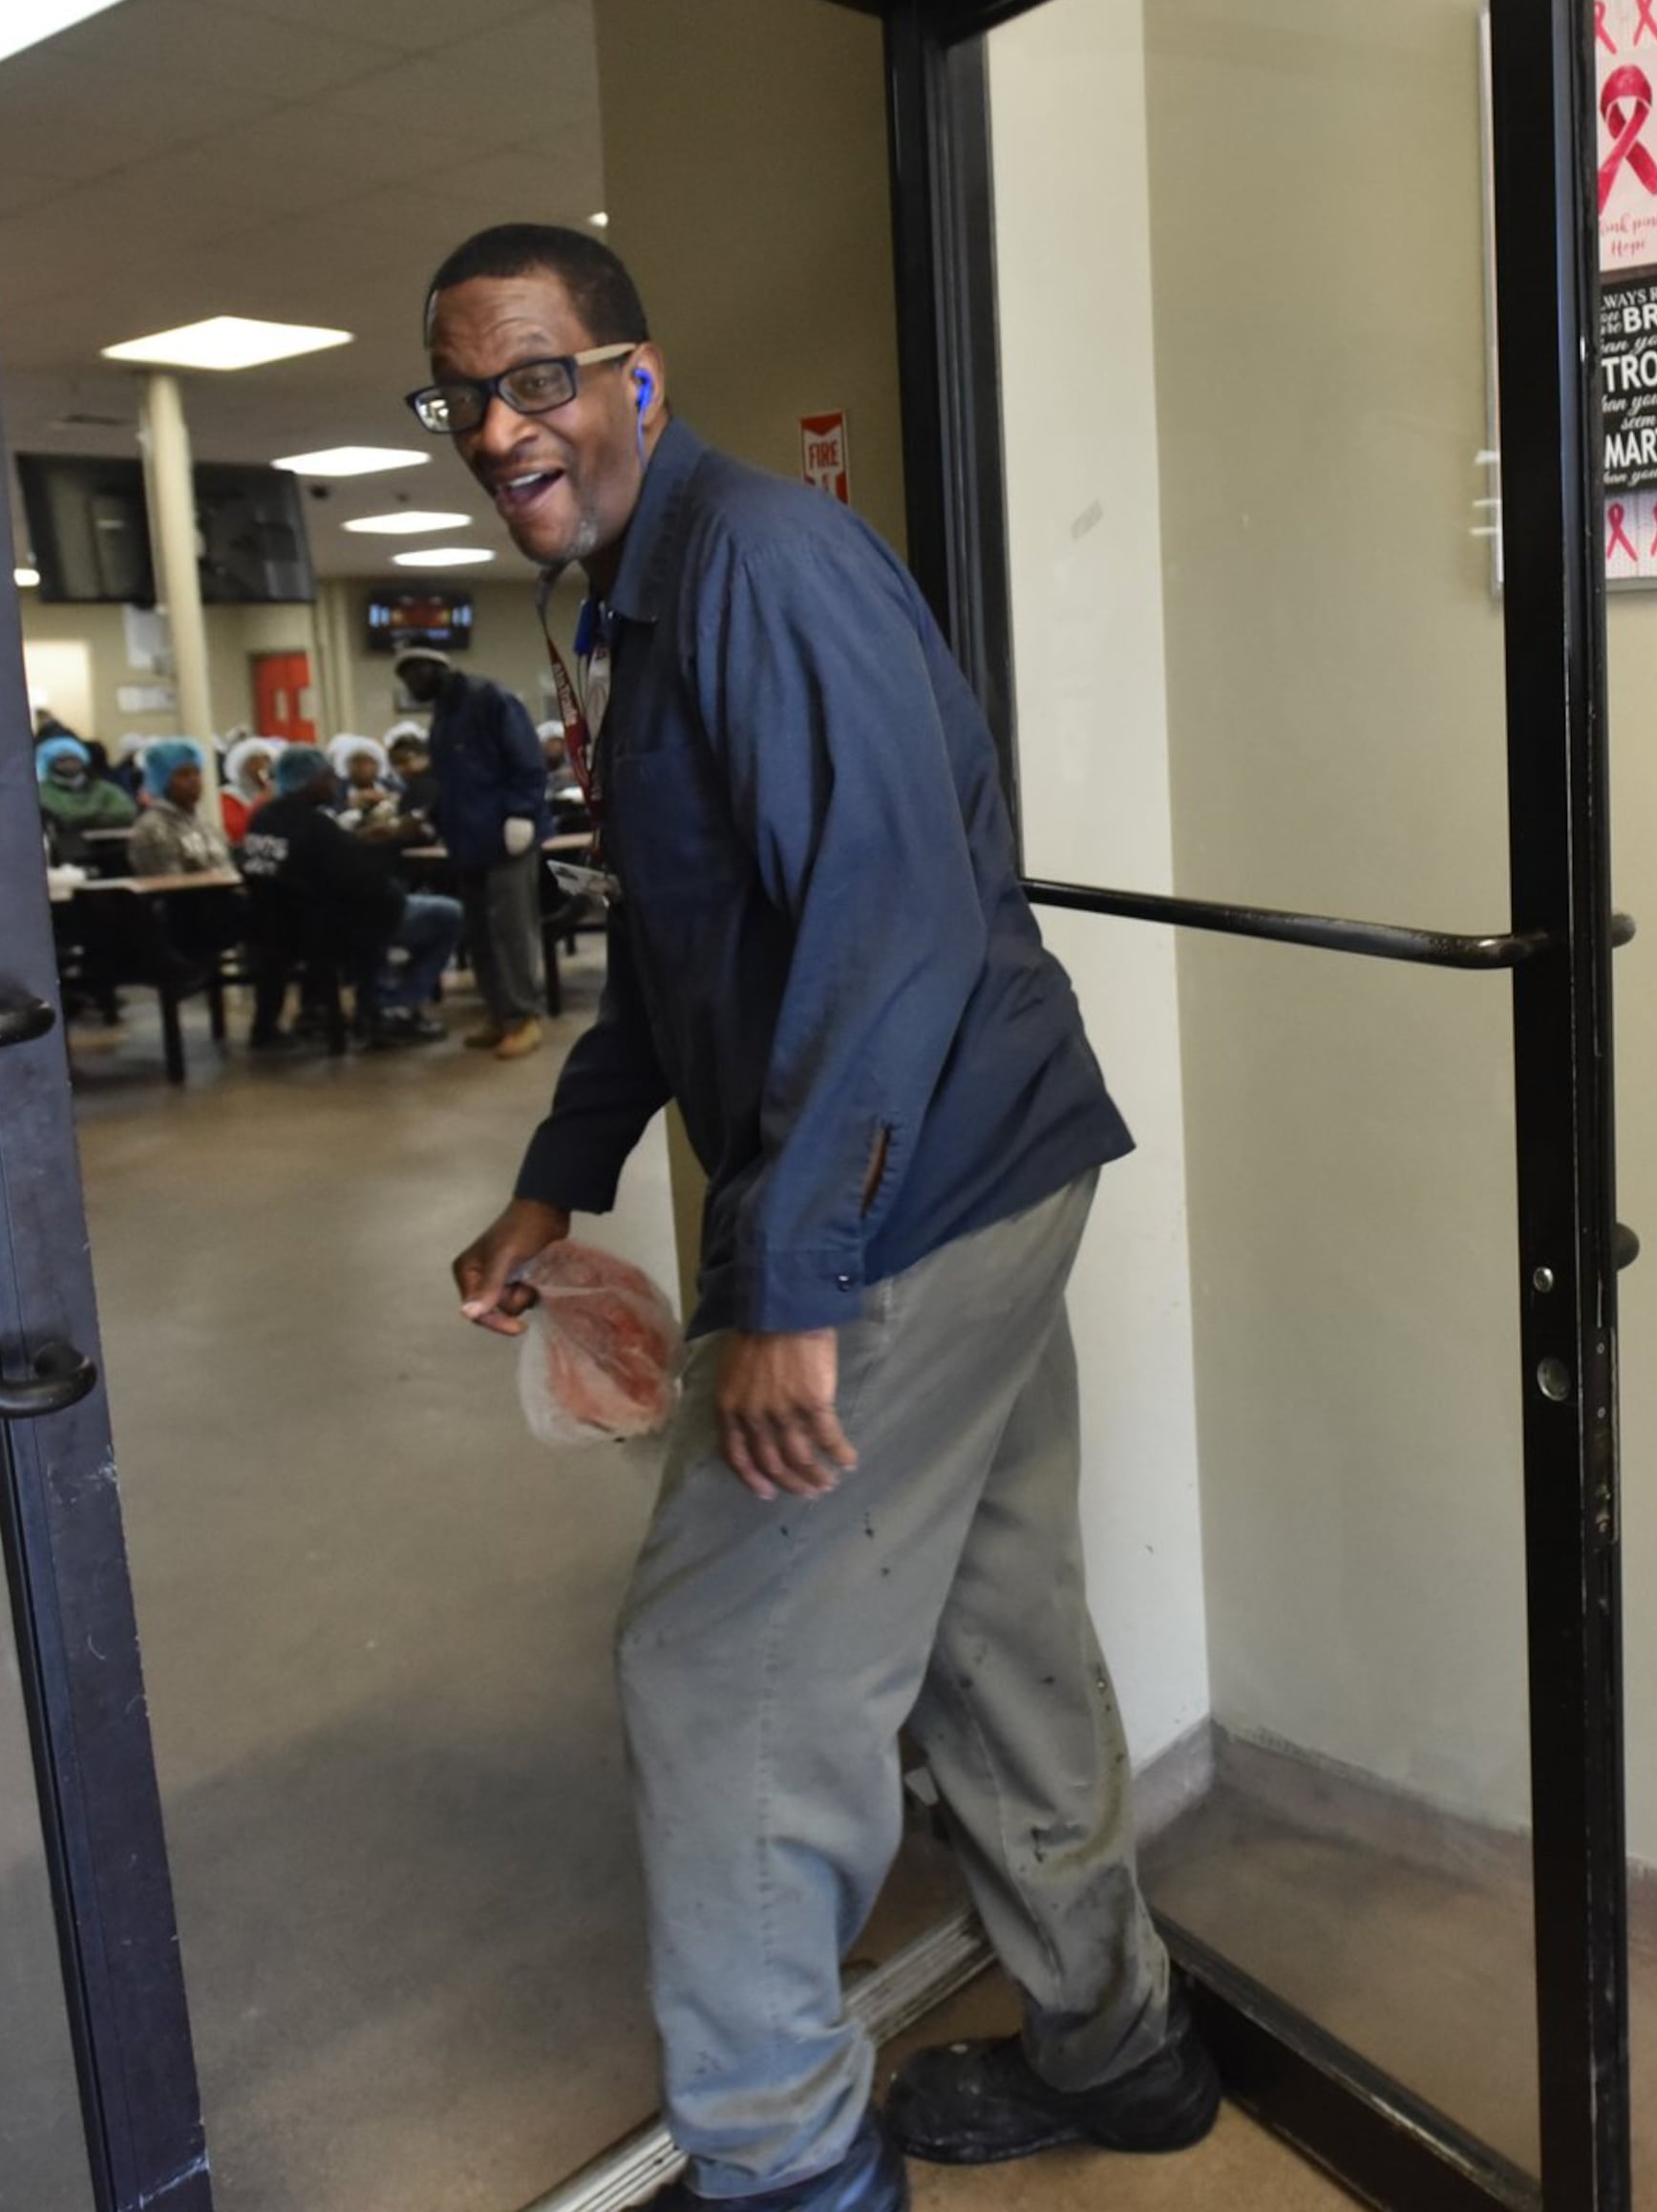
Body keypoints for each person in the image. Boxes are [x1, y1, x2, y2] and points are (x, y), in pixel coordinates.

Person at [427, 222, 1204, 2212]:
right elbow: (696, 954)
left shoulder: (757, 564)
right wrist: (555, 1174)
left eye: (538, 376)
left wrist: (795, 1287)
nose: (503, 425)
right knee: (989, 1617)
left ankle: (785, 2164)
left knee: (721, 1669)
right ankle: (1124, 2048)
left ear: (637, 377)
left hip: (914, 1189)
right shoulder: (639, 602)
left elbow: (888, 931)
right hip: (984, 1162)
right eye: (466, 395)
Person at [236, 744, 460, 1047]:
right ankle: (389, 1006)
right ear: (308, 781)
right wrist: (389, 841)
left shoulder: (262, 819)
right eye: (327, 777)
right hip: (331, 929)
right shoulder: (316, 827)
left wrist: (355, 842)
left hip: (274, 928)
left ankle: (319, 1007)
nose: (333, 783)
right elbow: (364, 880)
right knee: (447, 914)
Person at [395, 641, 551, 1059]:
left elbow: (527, 761)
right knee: (480, 932)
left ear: (436, 667)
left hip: (505, 835)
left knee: (511, 929)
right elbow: (452, 780)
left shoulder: (490, 699)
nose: (410, 683)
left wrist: (521, 813)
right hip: (467, 840)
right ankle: (500, 1013)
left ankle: (525, 1016)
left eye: (415, 673)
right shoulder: (443, 716)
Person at [126, 739, 232, 879]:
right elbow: (170, 886)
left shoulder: (204, 823)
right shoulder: (152, 828)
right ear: (162, 781)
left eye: (197, 773)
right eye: (184, 775)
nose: (194, 780)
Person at [32, 733, 134, 852]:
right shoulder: (42, 792)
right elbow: (66, 816)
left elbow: (126, 812)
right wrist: (98, 816)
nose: (69, 765)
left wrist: (86, 820)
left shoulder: (104, 789)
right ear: (49, 764)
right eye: (62, 761)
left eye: (74, 759)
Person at [221, 734, 282, 848]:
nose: (263, 766)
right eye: (255, 762)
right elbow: (238, 831)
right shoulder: (230, 795)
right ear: (242, 766)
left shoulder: (274, 792)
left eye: (267, 761)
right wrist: (261, 802)